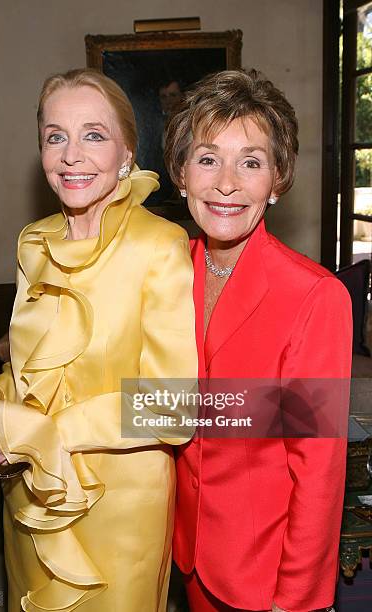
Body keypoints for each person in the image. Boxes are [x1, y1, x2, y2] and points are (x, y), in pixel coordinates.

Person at [0, 68, 197, 611]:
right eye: (56, 136)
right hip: (30, 489)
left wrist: (36, 431)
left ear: (127, 150)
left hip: (121, 501)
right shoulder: (33, 242)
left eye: (94, 135)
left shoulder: (160, 245)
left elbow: (172, 408)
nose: (71, 154)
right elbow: (29, 373)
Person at [164, 69, 352, 612]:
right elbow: (156, 409)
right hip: (186, 555)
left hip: (263, 574)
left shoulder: (315, 297)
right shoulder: (167, 276)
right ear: (181, 174)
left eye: (251, 161)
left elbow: (318, 471)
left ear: (277, 180)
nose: (227, 183)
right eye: (207, 158)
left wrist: (294, 600)